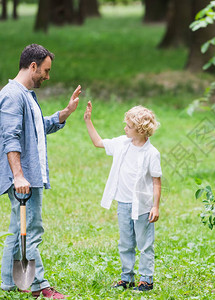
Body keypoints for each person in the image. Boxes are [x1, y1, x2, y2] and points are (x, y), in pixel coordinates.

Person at [0, 44, 82, 299]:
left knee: (17, 228)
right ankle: (39, 286)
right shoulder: (12, 96)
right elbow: (11, 138)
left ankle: (9, 283)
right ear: (32, 66)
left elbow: (36, 127)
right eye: (45, 70)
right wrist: (19, 176)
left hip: (29, 175)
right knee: (32, 230)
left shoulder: (26, 95)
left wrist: (64, 114)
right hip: (23, 177)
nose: (47, 76)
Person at [84, 101, 162, 292]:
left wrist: (155, 206)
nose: (124, 128)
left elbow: (156, 181)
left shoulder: (152, 153)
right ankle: (127, 278)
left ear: (140, 130)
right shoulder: (121, 143)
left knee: (145, 244)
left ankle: (146, 280)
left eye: (128, 126)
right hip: (124, 204)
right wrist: (88, 121)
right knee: (125, 243)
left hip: (143, 207)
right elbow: (98, 142)